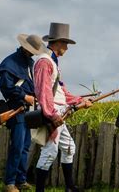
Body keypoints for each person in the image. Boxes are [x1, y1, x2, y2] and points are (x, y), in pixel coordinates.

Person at [33, 22, 92, 192]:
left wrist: (79, 100)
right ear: (57, 42)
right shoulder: (44, 62)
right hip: (52, 113)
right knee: (50, 152)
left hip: (58, 110)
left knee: (69, 148)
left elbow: (60, 91)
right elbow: (44, 92)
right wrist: (51, 115)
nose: (67, 47)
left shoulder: (52, 62)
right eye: (65, 43)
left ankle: (70, 187)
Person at [0, 34, 47, 192]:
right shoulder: (10, 62)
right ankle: (10, 182)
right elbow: (6, 87)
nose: (33, 53)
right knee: (17, 146)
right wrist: (24, 96)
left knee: (25, 147)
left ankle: (21, 180)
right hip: (16, 109)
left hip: (28, 110)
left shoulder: (29, 62)